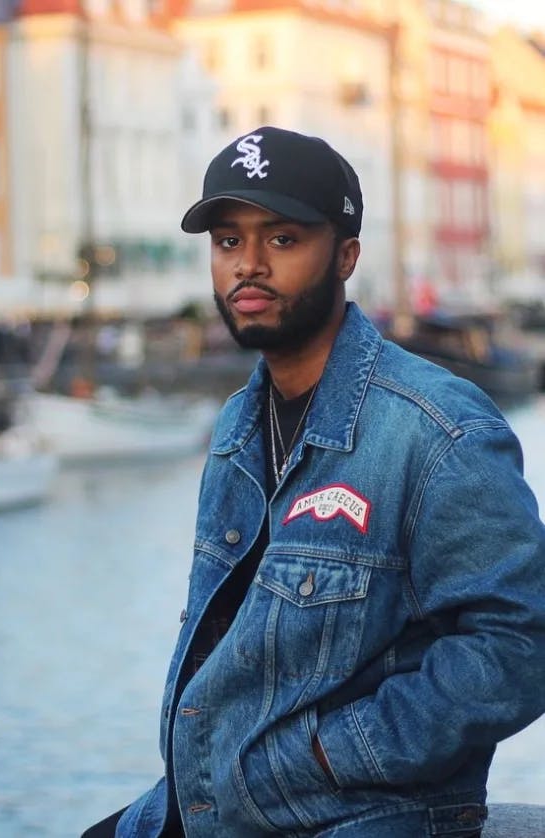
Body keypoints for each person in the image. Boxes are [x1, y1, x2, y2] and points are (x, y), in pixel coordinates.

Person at [82, 126, 545, 837]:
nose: (249, 266)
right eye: (229, 241)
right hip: (225, 798)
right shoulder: (239, 424)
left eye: (283, 240)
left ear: (347, 255)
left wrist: (334, 753)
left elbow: (521, 643)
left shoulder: (437, 429)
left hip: (360, 813)